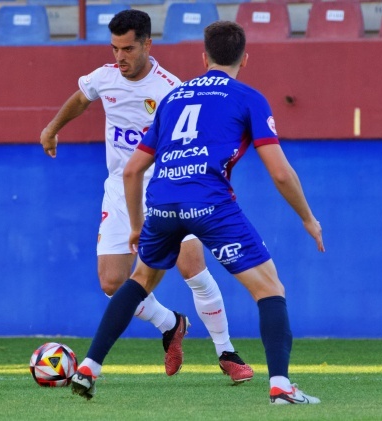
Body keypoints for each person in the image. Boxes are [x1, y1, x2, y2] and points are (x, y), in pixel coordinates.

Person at [70, 21, 325, 404]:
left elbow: (134, 169)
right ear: (245, 58)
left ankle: (89, 367)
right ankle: (281, 387)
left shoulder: (174, 98)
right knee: (269, 288)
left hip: (162, 201)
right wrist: (307, 217)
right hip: (209, 201)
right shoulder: (247, 97)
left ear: (203, 57)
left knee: (139, 280)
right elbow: (279, 172)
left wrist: (139, 225)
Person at [40, 10, 253, 381]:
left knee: (192, 268)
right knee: (111, 283)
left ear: (147, 44)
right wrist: (52, 128)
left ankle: (227, 352)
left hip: (166, 190)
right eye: (114, 48)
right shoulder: (104, 78)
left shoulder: (169, 89)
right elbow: (81, 97)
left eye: (127, 49)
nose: (119, 57)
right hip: (121, 193)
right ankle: (170, 323)